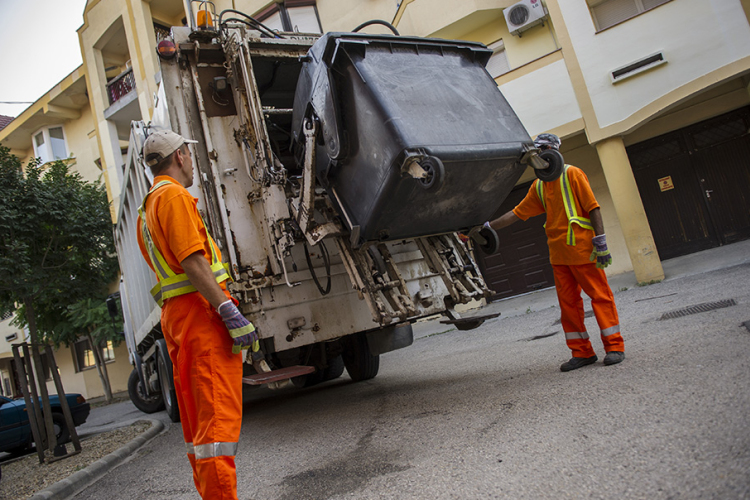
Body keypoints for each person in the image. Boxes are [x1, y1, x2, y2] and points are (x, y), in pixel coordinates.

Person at [136, 129, 258, 499]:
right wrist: (225, 308)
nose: (191, 159)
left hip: (180, 318)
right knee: (217, 426)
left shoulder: (148, 207)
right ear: (180, 157)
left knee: (202, 430)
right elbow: (192, 260)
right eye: (188, 152)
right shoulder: (173, 196)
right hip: (200, 316)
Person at [483, 133, 625, 372]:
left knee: (600, 297)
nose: (542, 157)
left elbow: (593, 208)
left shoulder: (572, 173)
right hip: (559, 256)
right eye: (537, 153)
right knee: (568, 305)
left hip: (582, 251)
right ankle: (582, 353)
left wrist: (600, 242)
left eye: (545, 150)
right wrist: (487, 226)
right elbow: (517, 214)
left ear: (555, 150)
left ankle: (614, 347)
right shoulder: (539, 186)